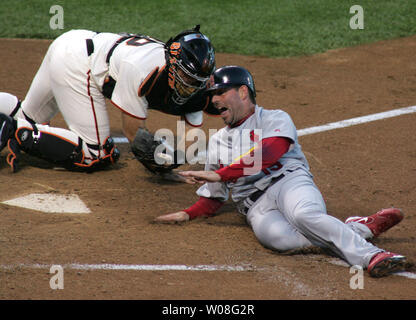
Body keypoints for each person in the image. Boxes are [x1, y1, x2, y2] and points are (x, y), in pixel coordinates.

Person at [155, 65, 408, 277]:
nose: (215, 100)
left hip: (290, 183)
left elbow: (271, 152)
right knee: (282, 240)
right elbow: (213, 198)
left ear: (243, 92)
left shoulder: (275, 118)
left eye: (221, 92)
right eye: (213, 95)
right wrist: (187, 214)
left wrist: (222, 173)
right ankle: (358, 229)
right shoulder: (218, 141)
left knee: (305, 216)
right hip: (257, 207)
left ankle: (373, 256)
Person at [0, 25, 215, 175]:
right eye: (186, 77)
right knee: (97, 153)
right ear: (173, 66)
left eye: (197, 81)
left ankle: (17, 122)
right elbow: (134, 134)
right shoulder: (142, 71)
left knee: (28, 115)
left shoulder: (192, 84)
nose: (191, 85)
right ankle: (13, 129)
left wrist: (175, 159)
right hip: (77, 66)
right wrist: (159, 159)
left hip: (73, 43)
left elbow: (191, 133)